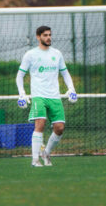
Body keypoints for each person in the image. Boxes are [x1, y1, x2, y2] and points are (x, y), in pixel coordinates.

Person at [16, 26, 77, 167]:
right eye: (45, 35)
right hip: (39, 96)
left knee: (59, 128)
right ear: (38, 37)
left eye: (50, 35)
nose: (48, 37)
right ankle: (35, 160)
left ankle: (46, 152)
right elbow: (20, 75)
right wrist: (22, 94)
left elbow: (65, 73)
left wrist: (71, 89)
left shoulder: (57, 54)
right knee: (40, 123)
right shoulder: (30, 55)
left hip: (55, 97)